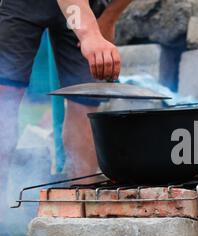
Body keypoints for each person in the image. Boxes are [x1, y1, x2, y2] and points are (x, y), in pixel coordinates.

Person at [0, 0, 132, 211]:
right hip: (21, 4)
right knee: (5, 96)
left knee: (85, 96)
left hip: (88, 4)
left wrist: (108, 19)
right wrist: (90, 35)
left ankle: (82, 209)